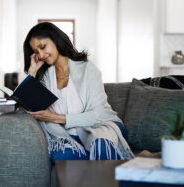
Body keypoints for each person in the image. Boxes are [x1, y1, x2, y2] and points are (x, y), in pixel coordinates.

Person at [23, 22, 134, 163]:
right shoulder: (45, 76)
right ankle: (91, 165)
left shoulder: (88, 69)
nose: (42, 55)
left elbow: (99, 115)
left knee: (101, 145)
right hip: (66, 135)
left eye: (43, 47)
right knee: (62, 155)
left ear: (56, 39)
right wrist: (33, 71)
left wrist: (58, 118)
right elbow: (26, 103)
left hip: (101, 127)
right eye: (36, 52)